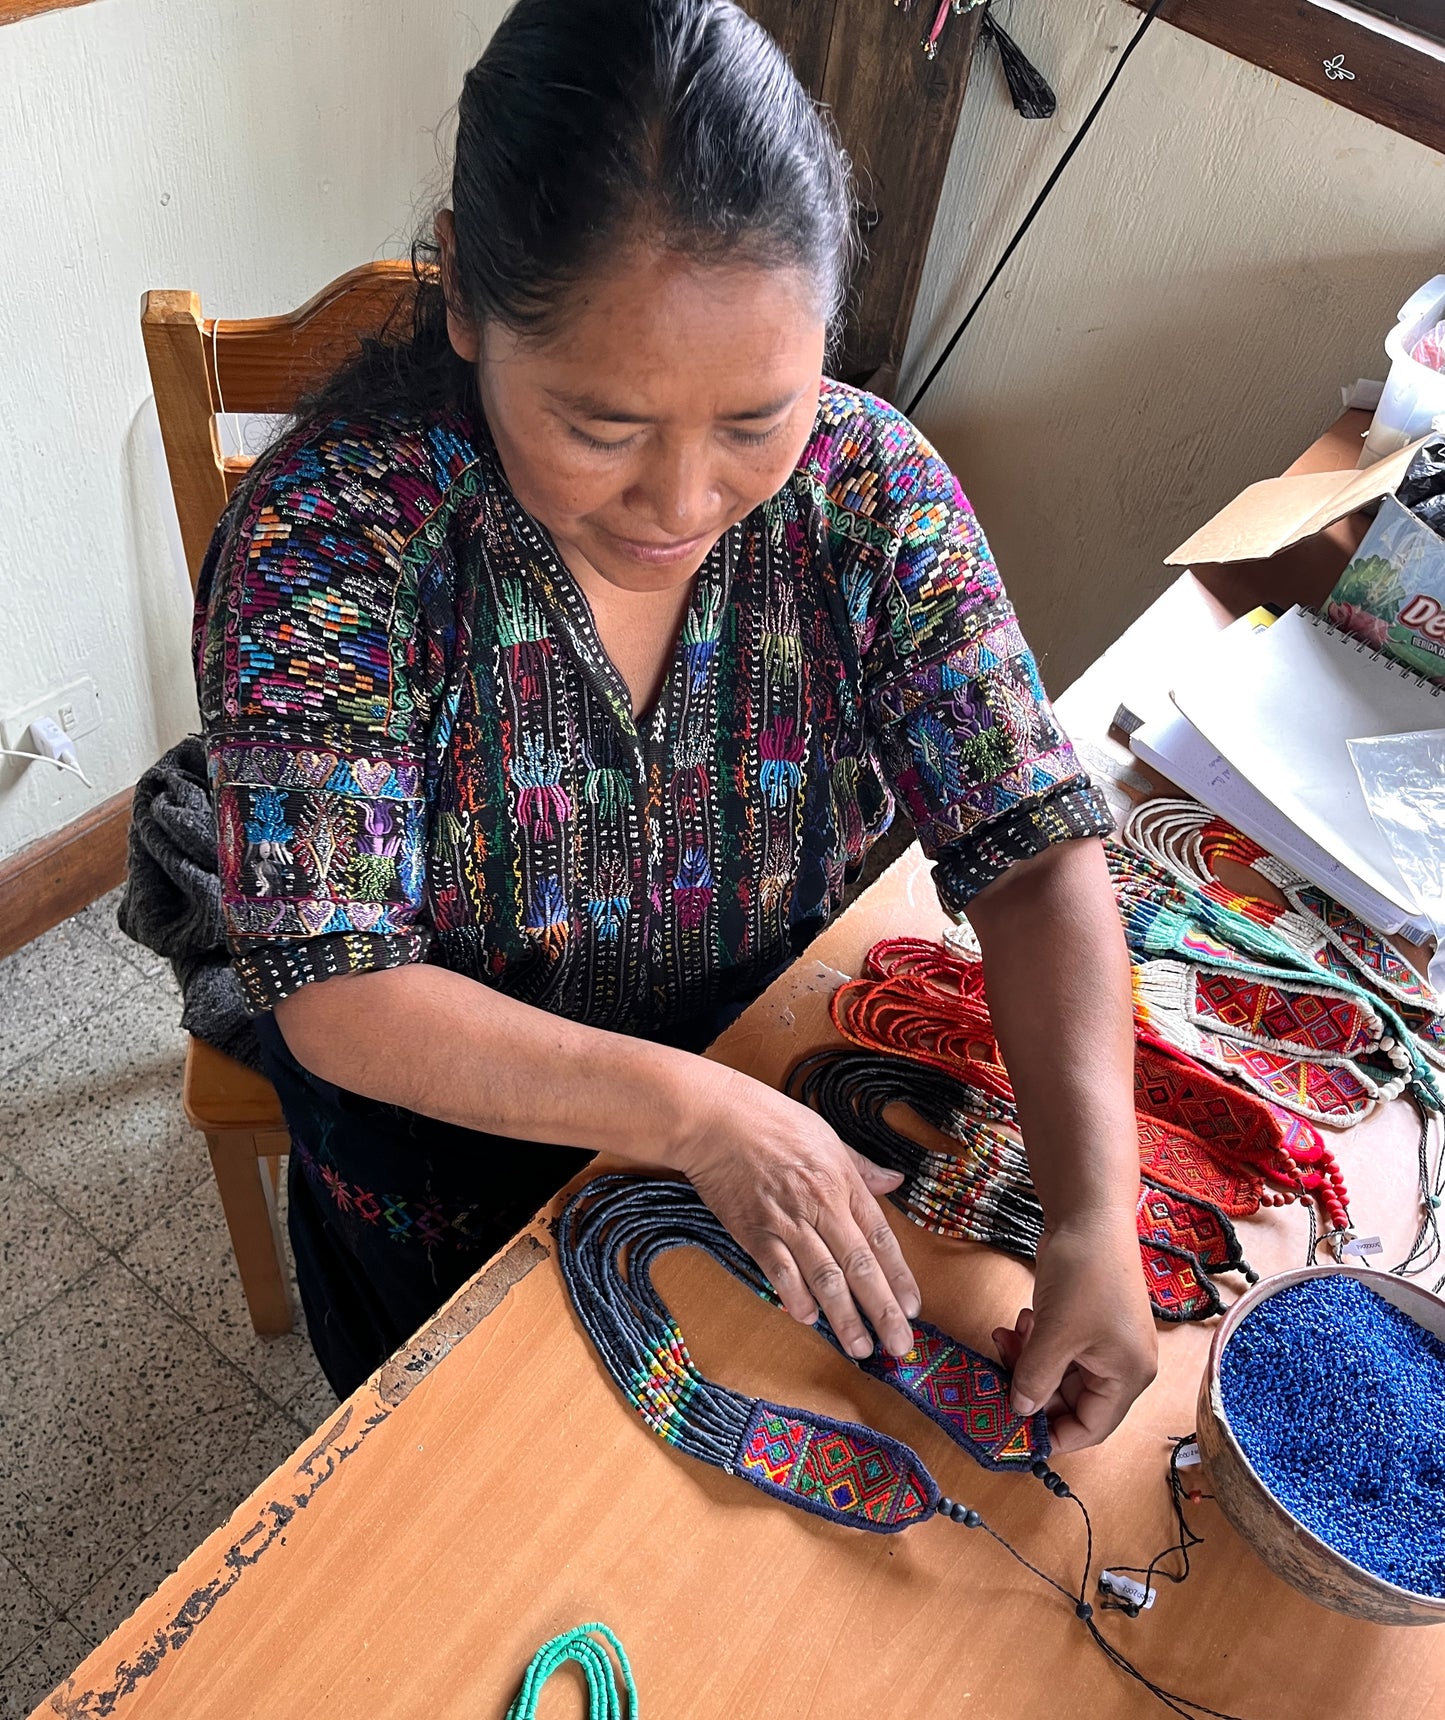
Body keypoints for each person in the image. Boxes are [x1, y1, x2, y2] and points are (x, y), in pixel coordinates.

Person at [196, 0, 1156, 1435]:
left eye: (755, 417)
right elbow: (339, 991)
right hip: (457, 1197)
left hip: (780, 1104)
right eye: (601, 426)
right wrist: (696, 1117)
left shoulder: (864, 486)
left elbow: (1031, 845)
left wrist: (1096, 1210)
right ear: (463, 295)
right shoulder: (338, 537)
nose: (684, 501)